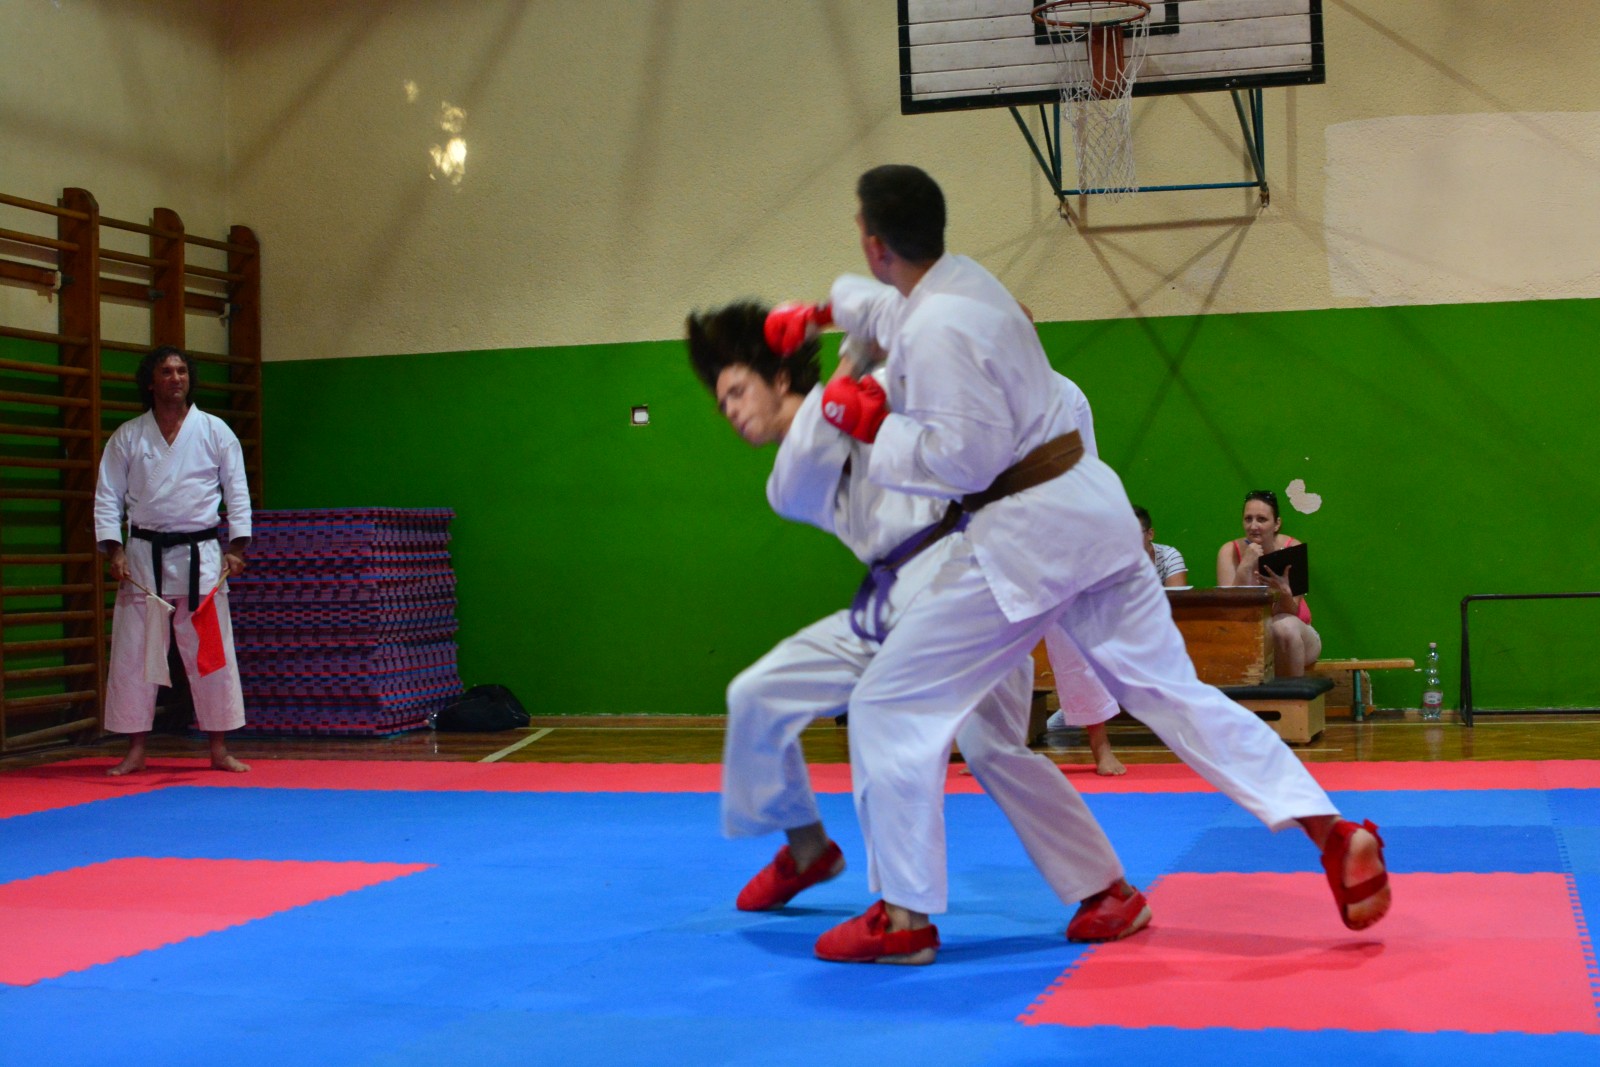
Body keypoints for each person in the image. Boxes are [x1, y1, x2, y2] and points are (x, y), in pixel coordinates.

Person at [766, 164, 1390, 963]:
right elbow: (878, 305)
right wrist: (819, 314)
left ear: (873, 240)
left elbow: (965, 460)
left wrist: (872, 425)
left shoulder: (936, 330)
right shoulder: (966, 283)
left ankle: (902, 917)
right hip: (1096, 512)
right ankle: (1321, 833)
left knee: (889, 704)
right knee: (1159, 696)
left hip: (1024, 535)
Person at [687, 301, 1149, 964]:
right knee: (759, 693)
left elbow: (927, 346)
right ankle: (808, 848)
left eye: (736, 390)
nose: (728, 409)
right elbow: (812, 451)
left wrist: (862, 330)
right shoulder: (797, 465)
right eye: (720, 400)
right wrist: (850, 355)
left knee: (947, 734)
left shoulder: (885, 391)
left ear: (780, 378)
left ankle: (934, 912)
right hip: (896, 602)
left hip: (971, 585)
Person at [93, 345, 252, 776]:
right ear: (151, 382)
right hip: (144, 556)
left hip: (202, 556)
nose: (176, 378)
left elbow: (237, 491)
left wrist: (237, 548)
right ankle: (135, 750)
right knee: (135, 654)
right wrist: (114, 549)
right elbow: (107, 497)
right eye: (166, 371)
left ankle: (218, 748)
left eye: (182, 371)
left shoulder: (215, 431)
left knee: (210, 653)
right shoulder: (128, 436)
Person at [1215, 489, 1321, 676]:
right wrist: (1244, 567)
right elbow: (1230, 611)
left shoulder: (1292, 548)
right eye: (1248, 519)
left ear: (1276, 524)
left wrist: (1283, 592)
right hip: (1249, 636)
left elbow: (1292, 610)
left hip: (1297, 635)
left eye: (1261, 519)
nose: (1253, 526)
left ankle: (1292, 694)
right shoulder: (1229, 551)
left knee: (1282, 627)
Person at [1135, 505, 1189, 586]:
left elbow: (1176, 594)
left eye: (1135, 533)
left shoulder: (1169, 557)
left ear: (1150, 534)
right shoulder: (1115, 560)